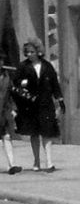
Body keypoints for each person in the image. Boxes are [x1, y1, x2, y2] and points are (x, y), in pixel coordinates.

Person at [12, 38, 64, 172]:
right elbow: (15, 83)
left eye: (32, 52)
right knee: (34, 133)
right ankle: (36, 160)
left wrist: (60, 99)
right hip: (30, 104)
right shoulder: (23, 66)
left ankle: (49, 162)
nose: (29, 54)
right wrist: (23, 84)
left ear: (38, 51)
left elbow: (55, 84)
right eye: (27, 52)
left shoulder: (47, 66)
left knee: (47, 132)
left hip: (45, 103)